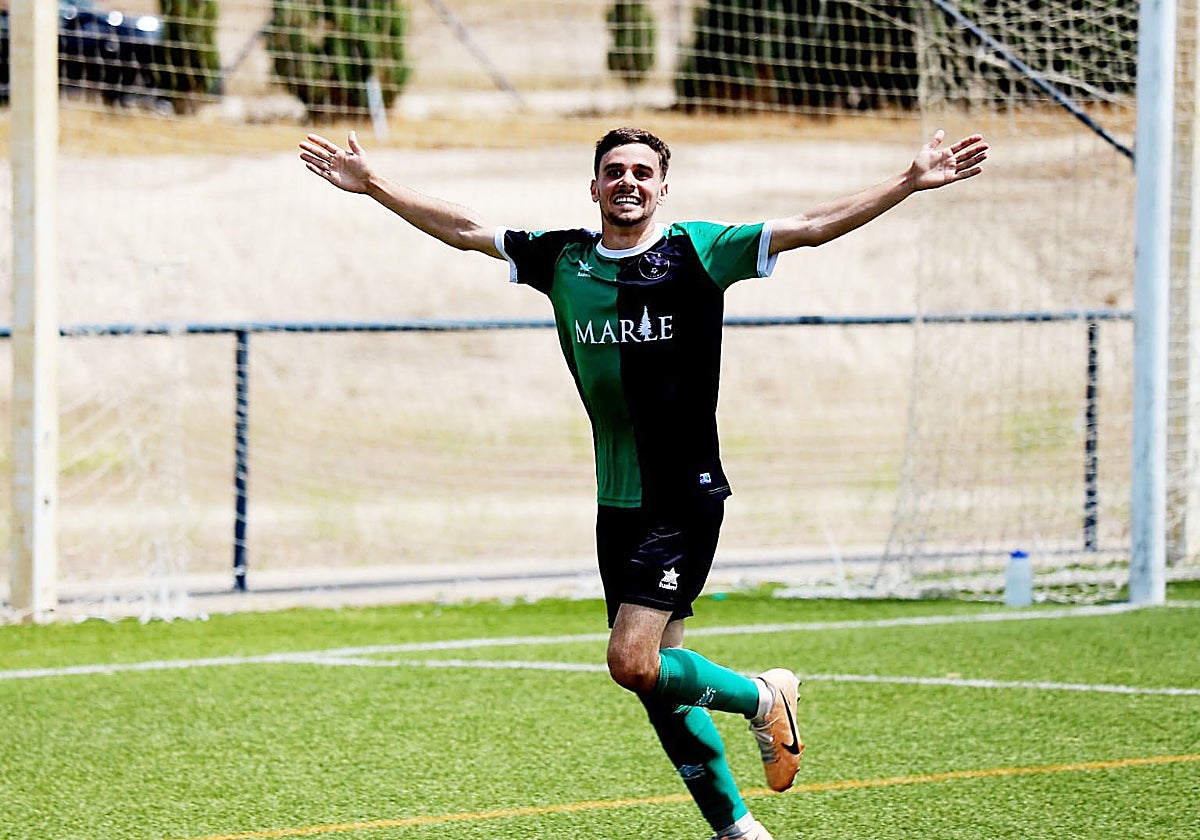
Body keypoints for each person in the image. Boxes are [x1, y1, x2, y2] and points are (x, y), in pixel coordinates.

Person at [298, 125, 987, 840]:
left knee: (631, 661)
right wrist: (376, 185)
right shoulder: (561, 257)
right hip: (616, 499)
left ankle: (762, 695)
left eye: (642, 173)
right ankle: (737, 830)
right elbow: (469, 229)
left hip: (682, 492)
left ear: (663, 187)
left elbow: (809, 227)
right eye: (614, 172)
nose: (628, 182)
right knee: (662, 680)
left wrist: (907, 182)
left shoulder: (698, 250)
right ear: (593, 187)